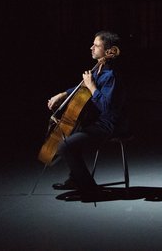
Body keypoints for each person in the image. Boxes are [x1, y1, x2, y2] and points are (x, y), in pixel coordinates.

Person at [47, 30, 128, 201]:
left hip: (108, 125)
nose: (91, 47)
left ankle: (91, 190)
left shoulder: (112, 75)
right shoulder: (99, 67)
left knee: (64, 146)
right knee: (70, 133)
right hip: (94, 121)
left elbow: (107, 108)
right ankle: (76, 179)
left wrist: (92, 87)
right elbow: (81, 88)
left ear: (109, 51)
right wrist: (62, 94)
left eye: (96, 45)